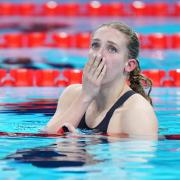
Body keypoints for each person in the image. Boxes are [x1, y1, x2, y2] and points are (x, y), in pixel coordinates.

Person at [44, 21, 158, 139]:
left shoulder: (137, 112)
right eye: (95, 45)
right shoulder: (72, 95)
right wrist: (85, 96)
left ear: (129, 65)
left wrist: (78, 152)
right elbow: (47, 139)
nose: (99, 54)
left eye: (112, 49)